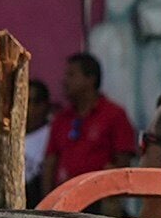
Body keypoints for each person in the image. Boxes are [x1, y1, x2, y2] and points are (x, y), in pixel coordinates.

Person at [37, 53, 141, 199]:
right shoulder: (61, 118)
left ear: (90, 79)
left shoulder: (115, 115)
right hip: (63, 202)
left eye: (71, 75)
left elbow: (123, 162)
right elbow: (50, 162)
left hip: (99, 202)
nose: (64, 81)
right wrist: (47, 203)